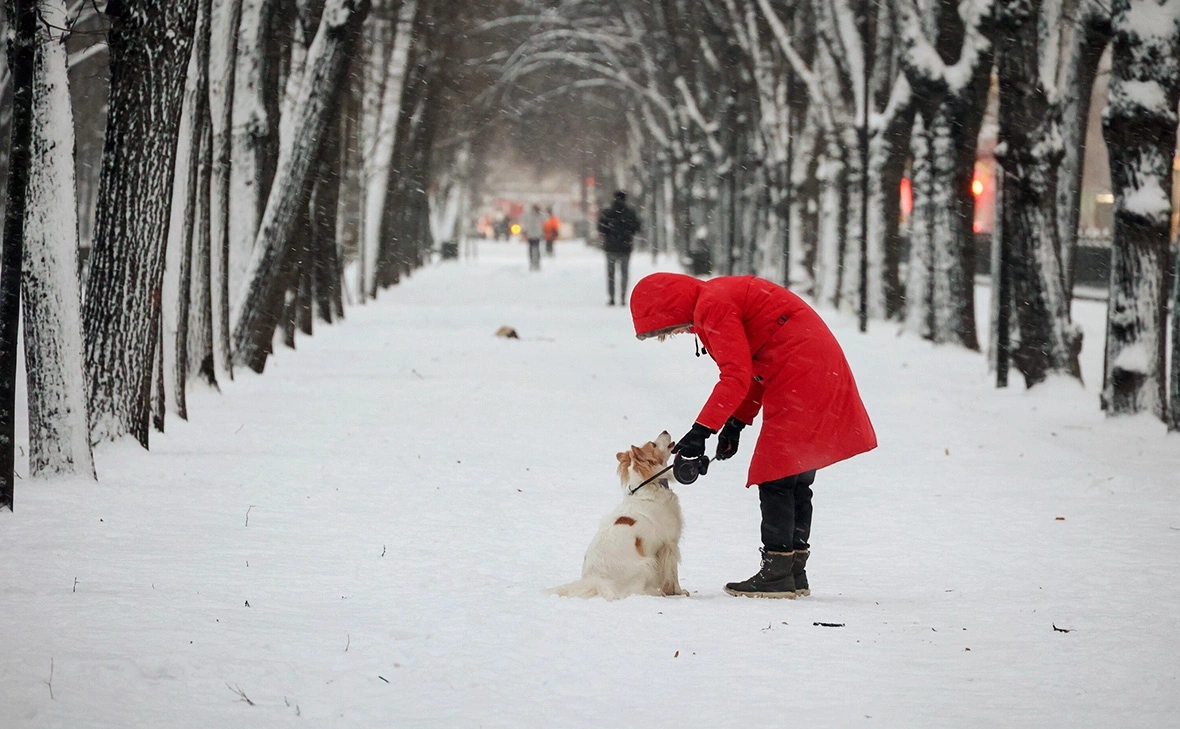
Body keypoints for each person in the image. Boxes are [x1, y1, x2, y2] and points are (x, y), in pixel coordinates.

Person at [629, 272, 877, 599]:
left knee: (776, 474)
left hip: (800, 370)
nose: (677, 333)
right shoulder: (716, 297)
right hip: (811, 364)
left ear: (671, 307)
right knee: (796, 475)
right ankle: (792, 571)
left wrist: (700, 432)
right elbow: (754, 365)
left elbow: (736, 375)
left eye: (669, 328)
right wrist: (736, 423)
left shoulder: (712, 306)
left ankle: (777, 573)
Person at [597, 190, 641, 306]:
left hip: (610, 247)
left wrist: (610, 234)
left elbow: (601, 228)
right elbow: (637, 228)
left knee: (611, 274)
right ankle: (623, 297)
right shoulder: (630, 213)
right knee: (624, 273)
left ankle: (611, 297)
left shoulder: (607, 212)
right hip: (625, 247)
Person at [519, 204, 546, 271]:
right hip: (534, 234)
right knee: (534, 249)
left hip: (534, 234)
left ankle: (534, 263)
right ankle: (534, 263)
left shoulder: (538, 215)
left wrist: (525, 230)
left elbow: (545, 220)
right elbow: (545, 220)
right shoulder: (531, 215)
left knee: (533, 249)